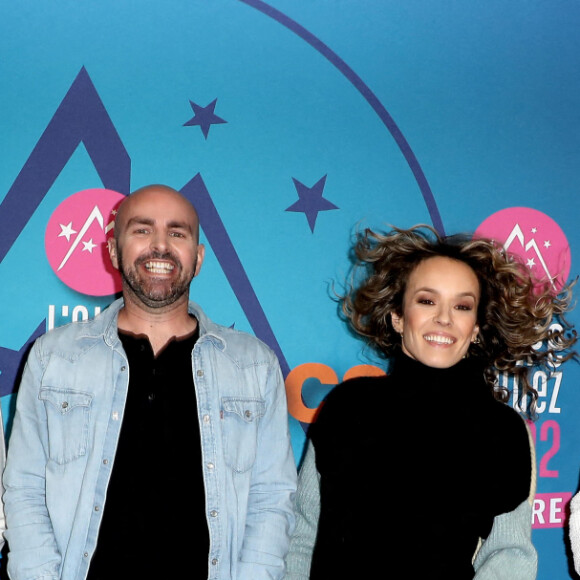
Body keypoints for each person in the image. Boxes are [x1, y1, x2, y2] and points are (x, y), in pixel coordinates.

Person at [2, 185, 297, 580]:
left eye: (178, 233)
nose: (160, 245)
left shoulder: (254, 365)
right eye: (142, 230)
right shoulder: (53, 357)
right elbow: (24, 489)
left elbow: (271, 501)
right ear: (112, 251)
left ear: (199, 258)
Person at [285, 225, 576, 580]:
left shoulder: (502, 431)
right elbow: (302, 534)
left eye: (462, 306)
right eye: (427, 300)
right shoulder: (348, 407)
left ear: (476, 328)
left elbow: (509, 557)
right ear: (397, 316)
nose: (444, 317)